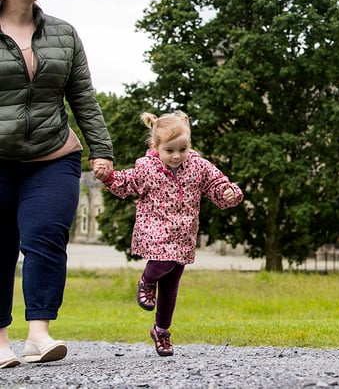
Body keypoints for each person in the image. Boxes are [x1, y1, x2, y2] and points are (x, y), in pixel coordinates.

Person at [0, 0, 114, 368]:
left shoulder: (63, 34)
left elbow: (82, 97)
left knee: (46, 236)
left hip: (53, 154)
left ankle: (38, 336)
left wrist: (101, 150)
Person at [94, 111, 243, 357]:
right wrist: (107, 176)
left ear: (189, 146)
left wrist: (230, 192)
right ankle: (146, 281)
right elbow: (125, 182)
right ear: (156, 147)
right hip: (156, 231)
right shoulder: (147, 168)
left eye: (182, 149)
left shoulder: (198, 166)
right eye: (170, 151)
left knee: (171, 286)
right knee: (163, 260)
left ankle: (161, 330)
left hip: (184, 234)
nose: (177, 156)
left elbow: (217, 184)